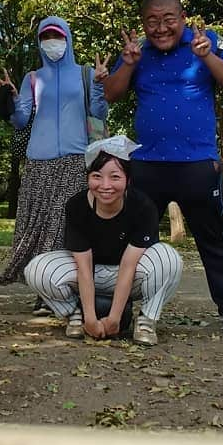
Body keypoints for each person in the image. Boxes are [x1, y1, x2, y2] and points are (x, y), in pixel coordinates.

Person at [103, 0, 223, 339]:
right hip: (146, 166)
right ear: (143, 23)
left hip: (197, 166)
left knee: (215, 243)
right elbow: (110, 95)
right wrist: (127, 64)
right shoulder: (136, 51)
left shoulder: (207, 42)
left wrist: (207, 58)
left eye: (168, 19)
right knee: (132, 243)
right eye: (152, 21)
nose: (160, 28)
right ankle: (119, 314)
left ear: (183, 17)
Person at [0, 17, 110, 307]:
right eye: (45, 37)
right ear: (39, 42)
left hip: (75, 159)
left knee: (62, 224)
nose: (52, 43)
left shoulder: (85, 73)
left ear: (68, 39)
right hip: (39, 162)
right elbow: (21, 121)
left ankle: (61, 287)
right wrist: (10, 99)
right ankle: (42, 288)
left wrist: (99, 85)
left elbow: (99, 113)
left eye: (57, 36)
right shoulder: (33, 77)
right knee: (38, 225)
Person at [24, 136, 183, 346]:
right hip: (89, 273)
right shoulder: (77, 206)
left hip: (130, 274)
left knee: (169, 259)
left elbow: (129, 265)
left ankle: (146, 320)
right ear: (88, 177)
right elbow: (83, 266)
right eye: (97, 176)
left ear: (128, 179)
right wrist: (90, 317)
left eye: (115, 177)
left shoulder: (143, 207)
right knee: (37, 269)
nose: (105, 185)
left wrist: (114, 319)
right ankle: (75, 315)